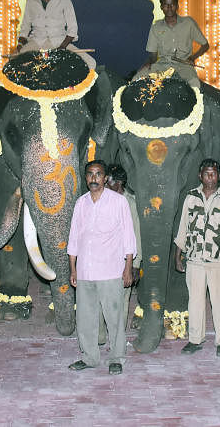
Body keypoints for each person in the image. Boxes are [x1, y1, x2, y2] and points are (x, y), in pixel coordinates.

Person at [67, 160, 136, 375]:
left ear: (105, 178)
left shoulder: (118, 202)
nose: (94, 178)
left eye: (98, 174)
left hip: (110, 270)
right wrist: (73, 269)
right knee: (85, 318)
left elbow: (128, 238)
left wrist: (128, 268)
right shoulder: (81, 203)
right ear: (85, 178)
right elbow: (74, 239)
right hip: (86, 270)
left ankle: (116, 357)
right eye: (90, 174)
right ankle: (89, 357)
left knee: (114, 317)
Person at [174, 159, 220, 357]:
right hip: (195, 260)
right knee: (195, 302)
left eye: (214, 173)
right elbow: (183, 227)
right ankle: (195, 340)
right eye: (206, 173)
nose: (210, 177)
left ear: (219, 176)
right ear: (200, 175)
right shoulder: (191, 197)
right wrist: (178, 255)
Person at [17, 0, 95, 68]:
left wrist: (62, 47)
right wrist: (20, 45)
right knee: (14, 63)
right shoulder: (30, 1)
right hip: (36, 42)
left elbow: (72, 29)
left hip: (59, 42)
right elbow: (25, 27)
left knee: (91, 63)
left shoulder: (64, 0)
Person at [138, 0, 209, 87]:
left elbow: (205, 45)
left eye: (172, 4)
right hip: (163, 65)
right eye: (166, 5)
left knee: (195, 84)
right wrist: (146, 65)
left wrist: (192, 58)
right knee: (137, 78)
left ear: (177, 6)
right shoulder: (156, 27)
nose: (169, 8)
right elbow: (153, 56)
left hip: (184, 66)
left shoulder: (188, 23)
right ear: (161, 7)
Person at [105, 164, 141, 326]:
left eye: (109, 181)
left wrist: (135, 265)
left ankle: (118, 334)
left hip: (124, 262)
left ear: (119, 183)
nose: (105, 184)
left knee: (122, 300)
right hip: (106, 260)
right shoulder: (103, 200)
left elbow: (137, 236)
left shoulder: (130, 203)